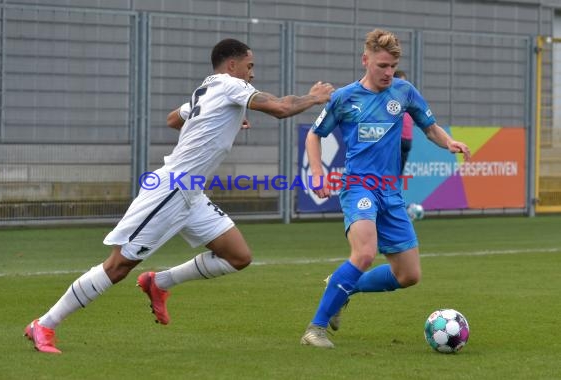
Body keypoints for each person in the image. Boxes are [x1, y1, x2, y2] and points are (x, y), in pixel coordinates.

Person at [25, 38, 334, 354]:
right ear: (232, 65)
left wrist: (219, 120)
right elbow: (281, 108)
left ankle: (158, 283)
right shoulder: (230, 85)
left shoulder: (208, 88)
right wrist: (314, 97)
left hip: (191, 194)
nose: (252, 74)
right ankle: (45, 324)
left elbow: (174, 118)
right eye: (250, 66)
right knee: (117, 266)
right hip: (170, 189)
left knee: (238, 256)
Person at [300, 29, 470, 348]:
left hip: (391, 192)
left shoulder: (404, 92)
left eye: (392, 66)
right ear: (366, 61)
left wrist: (449, 142)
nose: (388, 72)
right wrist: (317, 174)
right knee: (364, 253)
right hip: (359, 186)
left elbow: (428, 126)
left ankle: (343, 286)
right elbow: (314, 134)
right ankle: (315, 329)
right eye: (382, 66)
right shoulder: (345, 97)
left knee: (409, 275)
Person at [394, 70, 414, 176]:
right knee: (390, 174)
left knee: (397, 176)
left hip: (407, 140)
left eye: (405, 83)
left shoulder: (409, 97)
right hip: (397, 140)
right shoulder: (391, 97)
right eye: (400, 82)